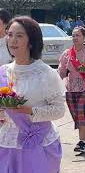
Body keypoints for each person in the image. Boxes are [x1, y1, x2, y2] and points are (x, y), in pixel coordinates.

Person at [0, 16, 65, 172]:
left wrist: (29, 111)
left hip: (39, 144)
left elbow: (59, 110)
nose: (12, 40)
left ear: (31, 41)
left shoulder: (45, 73)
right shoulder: (3, 72)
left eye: (19, 35)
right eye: (9, 34)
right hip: (6, 143)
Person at [58, 27, 85, 153]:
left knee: (81, 112)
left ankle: (82, 142)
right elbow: (61, 71)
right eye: (73, 35)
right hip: (71, 87)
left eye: (78, 35)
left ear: (84, 38)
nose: (75, 38)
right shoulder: (66, 53)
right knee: (78, 115)